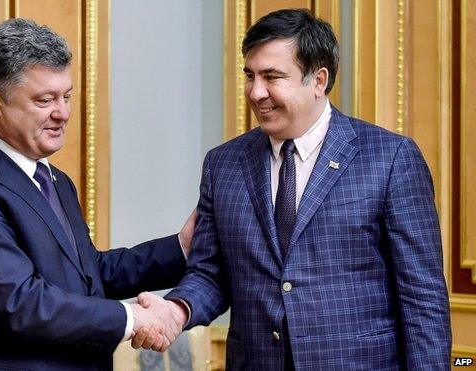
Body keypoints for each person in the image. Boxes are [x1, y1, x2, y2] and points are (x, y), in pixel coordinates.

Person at [133, 8, 452, 370]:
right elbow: (210, 272)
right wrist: (177, 309)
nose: (256, 92)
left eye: (272, 77)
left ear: (318, 80)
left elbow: (422, 298)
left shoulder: (390, 158)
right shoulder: (223, 164)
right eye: (250, 75)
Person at [0, 18, 196, 371]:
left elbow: (87, 277)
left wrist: (180, 248)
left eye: (67, 96)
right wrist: (133, 318)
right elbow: (18, 302)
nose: (63, 113)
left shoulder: (53, 179)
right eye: (45, 100)